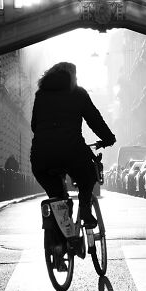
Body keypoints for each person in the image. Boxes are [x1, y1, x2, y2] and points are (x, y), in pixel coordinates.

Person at [30, 62, 116, 245]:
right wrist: (108, 138)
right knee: (87, 176)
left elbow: (34, 125)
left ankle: (60, 241)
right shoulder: (77, 93)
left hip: (41, 156)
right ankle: (85, 210)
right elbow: (94, 119)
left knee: (57, 197)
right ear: (72, 77)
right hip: (71, 151)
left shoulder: (41, 94)